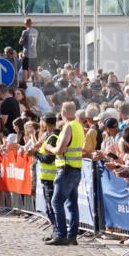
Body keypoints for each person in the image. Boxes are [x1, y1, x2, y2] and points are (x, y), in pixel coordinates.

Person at [44, 101, 85, 246]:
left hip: (66, 169)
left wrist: (49, 147)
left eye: (62, 110)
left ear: (65, 112)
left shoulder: (68, 127)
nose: (61, 113)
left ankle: (61, 235)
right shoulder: (79, 126)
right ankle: (72, 236)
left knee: (56, 202)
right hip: (75, 169)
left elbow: (60, 150)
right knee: (72, 204)